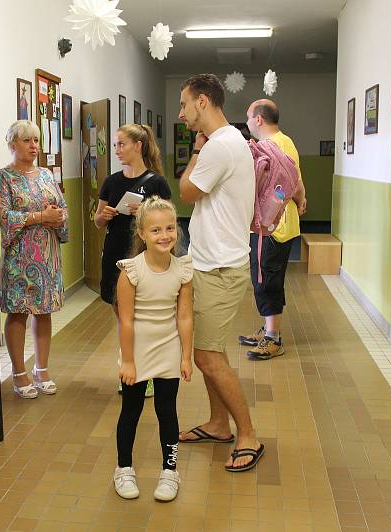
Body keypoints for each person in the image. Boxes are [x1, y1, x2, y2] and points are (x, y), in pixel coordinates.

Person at [176, 74, 264, 472]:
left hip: (220, 268)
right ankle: (218, 424)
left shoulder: (220, 147)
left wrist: (196, 152)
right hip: (212, 262)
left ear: (204, 102)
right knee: (210, 350)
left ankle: (248, 434)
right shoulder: (232, 143)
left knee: (207, 356)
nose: (181, 113)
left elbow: (187, 192)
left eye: (184, 104)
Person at [112, 196, 193, 501]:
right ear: (142, 234)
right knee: (131, 411)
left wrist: (186, 356)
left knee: (166, 411)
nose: (165, 236)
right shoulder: (131, 270)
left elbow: (184, 316)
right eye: (156, 230)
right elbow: (127, 321)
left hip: (169, 348)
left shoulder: (183, 269)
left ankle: (170, 471)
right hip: (137, 349)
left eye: (170, 228)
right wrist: (129, 362)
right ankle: (123, 468)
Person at [0, 120, 68, 399]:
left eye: (36, 140)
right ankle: (18, 372)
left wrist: (59, 216)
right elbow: (5, 216)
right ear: (13, 145)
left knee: (44, 310)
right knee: (18, 311)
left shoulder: (47, 175)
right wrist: (39, 217)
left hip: (47, 256)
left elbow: (62, 207)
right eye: (27, 141)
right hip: (19, 257)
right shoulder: (2, 178)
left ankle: (42, 369)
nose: (34, 146)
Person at [94, 124, 172, 397]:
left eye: (121, 144)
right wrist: (105, 216)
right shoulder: (111, 182)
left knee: (144, 315)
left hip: (146, 254)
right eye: (115, 145)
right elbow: (97, 220)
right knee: (123, 315)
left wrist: (147, 212)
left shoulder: (157, 183)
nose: (116, 150)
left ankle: (148, 371)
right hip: (116, 254)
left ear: (138, 146)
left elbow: (168, 221)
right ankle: (129, 367)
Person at [239, 99, 307, 359]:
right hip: (279, 224)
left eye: (248, 117)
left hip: (272, 226)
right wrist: (301, 199)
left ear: (258, 119)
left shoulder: (269, 146)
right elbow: (296, 181)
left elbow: (274, 189)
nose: (246, 123)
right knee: (265, 277)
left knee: (267, 280)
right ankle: (267, 328)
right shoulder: (286, 141)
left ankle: (273, 338)